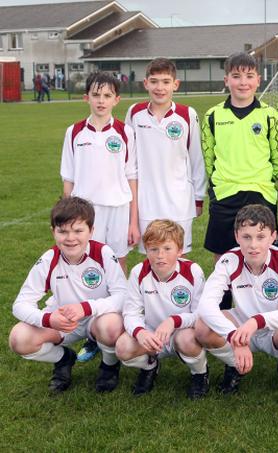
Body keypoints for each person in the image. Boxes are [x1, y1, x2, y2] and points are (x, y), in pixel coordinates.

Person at [8, 197, 127, 393]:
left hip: (97, 319)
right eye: (63, 231)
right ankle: (64, 359)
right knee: (18, 338)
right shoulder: (49, 259)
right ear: (53, 231)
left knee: (111, 325)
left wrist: (86, 307)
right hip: (62, 323)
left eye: (78, 231)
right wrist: (47, 319)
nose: (71, 238)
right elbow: (20, 304)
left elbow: (122, 296)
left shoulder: (103, 253)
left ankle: (109, 366)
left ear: (91, 231)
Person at [194, 205, 278, 396]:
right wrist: (233, 337)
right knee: (202, 327)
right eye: (246, 237)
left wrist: (256, 321)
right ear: (237, 236)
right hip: (240, 326)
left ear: (273, 236)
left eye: (260, 237)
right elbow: (206, 306)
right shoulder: (229, 260)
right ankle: (234, 365)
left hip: (275, 329)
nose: (253, 245)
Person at [201, 52, 278, 264]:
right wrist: (222, 181)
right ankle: (224, 298)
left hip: (261, 192)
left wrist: (263, 178)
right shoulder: (213, 116)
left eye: (249, 76)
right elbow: (208, 156)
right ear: (226, 80)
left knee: (265, 258)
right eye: (236, 76)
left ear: (258, 80)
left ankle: (265, 296)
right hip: (225, 193)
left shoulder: (270, 115)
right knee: (224, 258)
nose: (243, 82)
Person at [115, 220, 209, 398]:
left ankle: (200, 373)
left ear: (180, 250)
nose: (160, 255)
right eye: (154, 249)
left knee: (188, 340)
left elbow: (200, 314)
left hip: (182, 331)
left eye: (167, 249)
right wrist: (140, 332)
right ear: (146, 250)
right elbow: (131, 311)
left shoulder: (193, 271)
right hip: (152, 334)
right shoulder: (138, 272)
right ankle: (150, 366)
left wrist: (174, 321)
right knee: (123, 347)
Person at [126, 58, 206, 254]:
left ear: (175, 85)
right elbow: (128, 161)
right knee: (153, 259)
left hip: (179, 202)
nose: (159, 87)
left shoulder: (187, 114)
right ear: (145, 84)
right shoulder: (135, 113)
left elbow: (196, 158)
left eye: (165, 81)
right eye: (154, 81)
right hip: (147, 203)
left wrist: (198, 198)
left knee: (179, 259)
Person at [60, 71, 138, 273]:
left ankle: (118, 305)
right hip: (85, 210)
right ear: (86, 98)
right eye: (96, 95)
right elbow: (68, 176)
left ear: (116, 100)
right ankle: (87, 303)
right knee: (86, 261)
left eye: (107, 96)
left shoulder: (124, 132)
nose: (101, 101)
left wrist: (133, 222)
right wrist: (69, 215)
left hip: (118, 207)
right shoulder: (74, 132)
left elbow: (132, 176)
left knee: (118, 261)